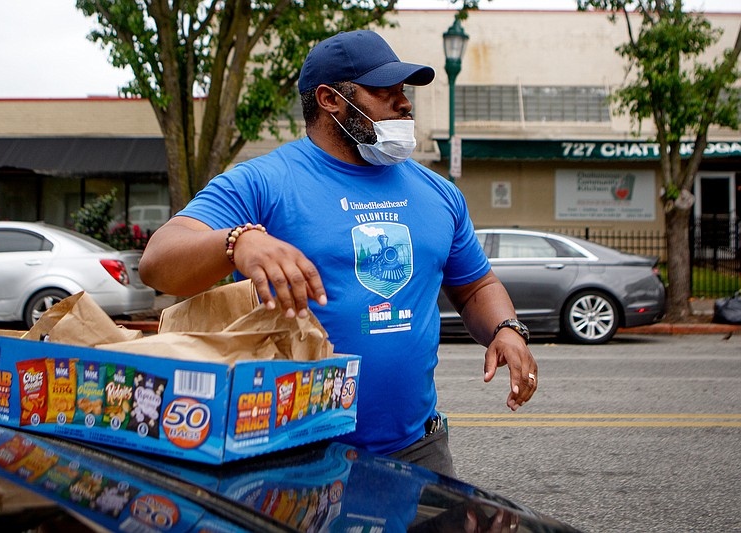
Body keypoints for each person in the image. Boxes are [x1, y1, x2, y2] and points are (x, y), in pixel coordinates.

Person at [138, 30, 538, 478]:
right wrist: (237, 242)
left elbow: (476, 285)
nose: (404, 104)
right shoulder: (264, 182)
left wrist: (506, 329)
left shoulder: (438, 192)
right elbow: (158, 262)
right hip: (292, 453)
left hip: (419, 449)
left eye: (403, 92)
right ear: (329, 99)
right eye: (384, 92)